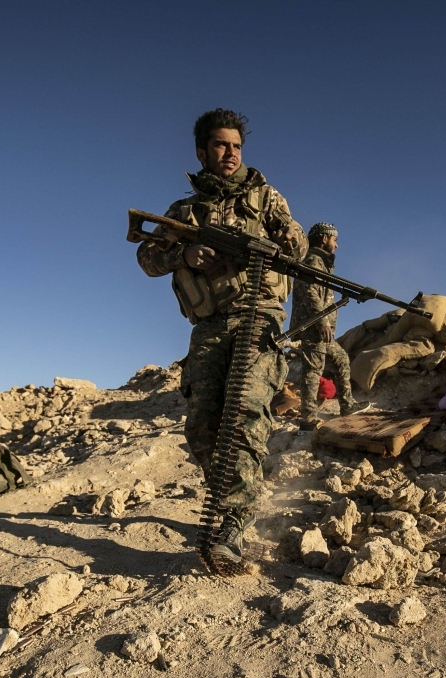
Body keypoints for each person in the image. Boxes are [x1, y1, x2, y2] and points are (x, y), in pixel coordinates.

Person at [136, 109, 307, 564]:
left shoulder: (267, 198)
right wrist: (185, 254)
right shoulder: (183, 211)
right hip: (210, 326)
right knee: (202, 426)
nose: (230, 153)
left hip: (260, 318)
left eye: (236, 146)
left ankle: (232, 525)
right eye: (219, 145)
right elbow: (147, 259)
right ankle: (239, 488)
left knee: (246, 415)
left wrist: (291, 239)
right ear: (201, 151)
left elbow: (299, 243)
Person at [290, 222, 370, 430]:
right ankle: (307, 420)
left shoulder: (321, 262)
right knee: (313, 371)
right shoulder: (313, 261)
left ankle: (347, 405)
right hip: (313, 328)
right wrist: (322, 321)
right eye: (335, 240)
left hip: (321, 331)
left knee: (341, 359)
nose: (337, 246)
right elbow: (310, 292)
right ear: (324, 238)